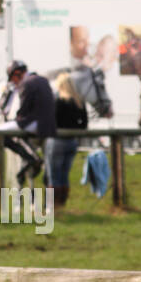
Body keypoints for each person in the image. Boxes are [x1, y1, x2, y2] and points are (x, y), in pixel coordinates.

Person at [3, 60, 53, 185]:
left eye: (12, 78)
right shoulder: (43, 80)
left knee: (0, 133)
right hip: (50, 125)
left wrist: (15, 120)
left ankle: (32, 158)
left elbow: (23, 110)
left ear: (17, 73)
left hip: (34, 124)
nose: (13, 82)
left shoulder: (25, 83)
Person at [48, 72, 87, 206]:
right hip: (72, 141)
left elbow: (51, 121)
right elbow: (84, 124)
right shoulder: (79, 101)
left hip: (57, 140)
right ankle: (62, 201)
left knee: (53, 173)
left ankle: (53, 203)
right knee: (65, 173)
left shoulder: (57, 101)